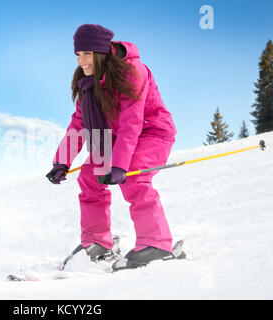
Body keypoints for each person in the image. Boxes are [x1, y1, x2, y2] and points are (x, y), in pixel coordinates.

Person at [46, 24, 178, 270]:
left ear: (100, 51)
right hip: (115, 137)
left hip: (152, 131)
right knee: (89, 177)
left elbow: (132, 120)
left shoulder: (132, 71)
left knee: (134, 178)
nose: (81, 61)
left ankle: (157, 243)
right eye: (77, 55)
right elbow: (78, 123)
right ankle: (97, 242)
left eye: (86, 54)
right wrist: (61, 162)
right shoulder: (88, 82)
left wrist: (119, 165)